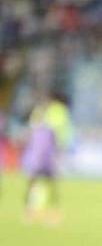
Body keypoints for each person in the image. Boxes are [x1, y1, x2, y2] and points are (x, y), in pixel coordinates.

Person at [21, 90, 73, 225]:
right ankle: (32, 211)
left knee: (46, 182)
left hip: (47, 153)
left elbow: (59, 133)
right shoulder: (41, 112)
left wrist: (60, 149)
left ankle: (49, 211)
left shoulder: (55, 112)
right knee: (39, 181)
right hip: (40, 153)